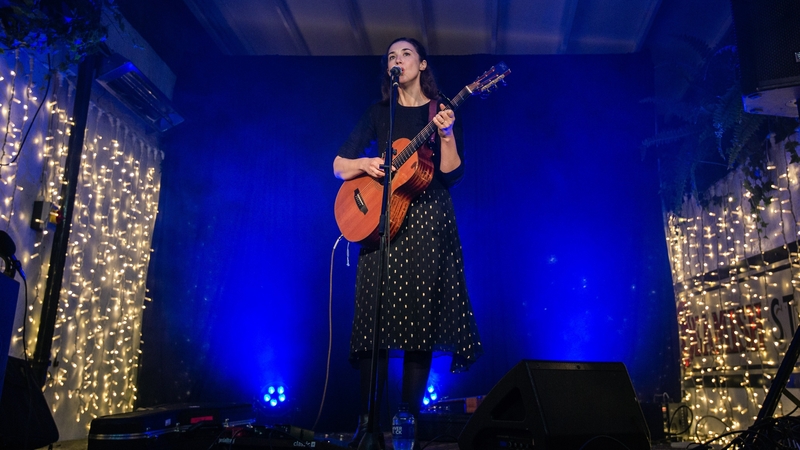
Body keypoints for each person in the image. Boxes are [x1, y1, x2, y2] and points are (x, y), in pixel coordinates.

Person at [333, 37, 482, 449]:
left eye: (406, 54)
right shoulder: (378, 113)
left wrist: (447, 134)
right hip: (380, 222)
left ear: (422, 64)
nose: (397, 60)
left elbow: (451, 175)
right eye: (391, 57)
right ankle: (367, 425)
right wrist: (365, 163)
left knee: (420, 322)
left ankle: (407, 423)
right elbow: (338, 164)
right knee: (373, 324)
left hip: (427, 220)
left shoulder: (441, 110)